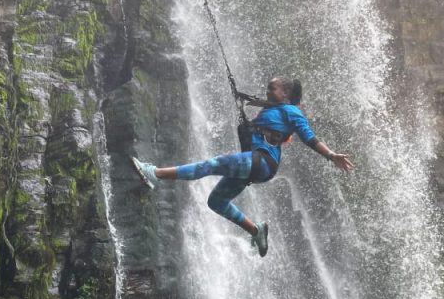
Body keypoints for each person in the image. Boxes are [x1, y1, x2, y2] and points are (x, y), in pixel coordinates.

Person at [131, 77, 353, 258]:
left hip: (262, 162)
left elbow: (309, 137)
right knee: (215, 201)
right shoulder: (272, 110)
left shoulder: (292, 111)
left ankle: (154, 173)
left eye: (272, 88)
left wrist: (331, 155)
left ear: (285, 93)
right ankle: (256, 230)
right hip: (255, 164)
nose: (267, 91)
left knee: (211, 165)